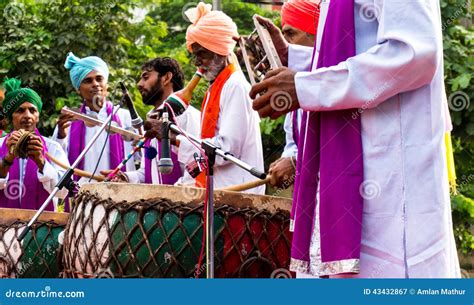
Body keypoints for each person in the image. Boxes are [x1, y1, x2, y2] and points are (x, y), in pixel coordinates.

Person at [250, 0, 460, 278]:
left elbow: (416, 52)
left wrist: (306, 86)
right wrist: (296, 59)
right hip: (353, 173)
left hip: (390, 182)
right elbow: (358, 47)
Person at [182, 2, 264, 194]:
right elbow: (210, 146)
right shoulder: (214, 89)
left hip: (239, 195)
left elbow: (225, 149)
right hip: (219, 194)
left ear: (220, 49)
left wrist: (178, 143)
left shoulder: (235, 86)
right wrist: (186, 179)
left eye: (202, 54)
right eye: (195, 55)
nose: (197, 63)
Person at [102, 57, 201, 185]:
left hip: (183, 202)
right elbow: (147, 173)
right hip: (158, 202)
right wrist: (126, 178)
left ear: (166, 78)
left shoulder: (187, 115)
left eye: (146, 77)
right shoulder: (151, 122)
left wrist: (176, 194)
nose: (139, 84)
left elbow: (199, 162)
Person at [52, 52, 136, 185]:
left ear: (106, 84)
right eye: (88, 80)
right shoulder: (69, 120)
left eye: (99, 79)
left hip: (121, 195)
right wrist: (61, 135)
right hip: (82, 198)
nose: (95, 84)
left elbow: (142, 157)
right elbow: (57, 163)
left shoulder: (125, 117)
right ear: (78, 89)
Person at [269, 0, 320, 189]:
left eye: (290, 34)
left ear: (315, 36)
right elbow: (293, 142)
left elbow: (336, 142)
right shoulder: (295, 87)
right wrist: (287, 158)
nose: (285, 45)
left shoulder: (332, 84)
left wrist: (295, 162)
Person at [0, 78, 69, 210]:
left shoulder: (53, 147)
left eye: (32, 110)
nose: (27, 115)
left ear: (37, 116)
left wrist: (41, 162)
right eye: (20, 110)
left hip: (43, 228)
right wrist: (8, 158)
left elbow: (63, 192)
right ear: (10, 116)